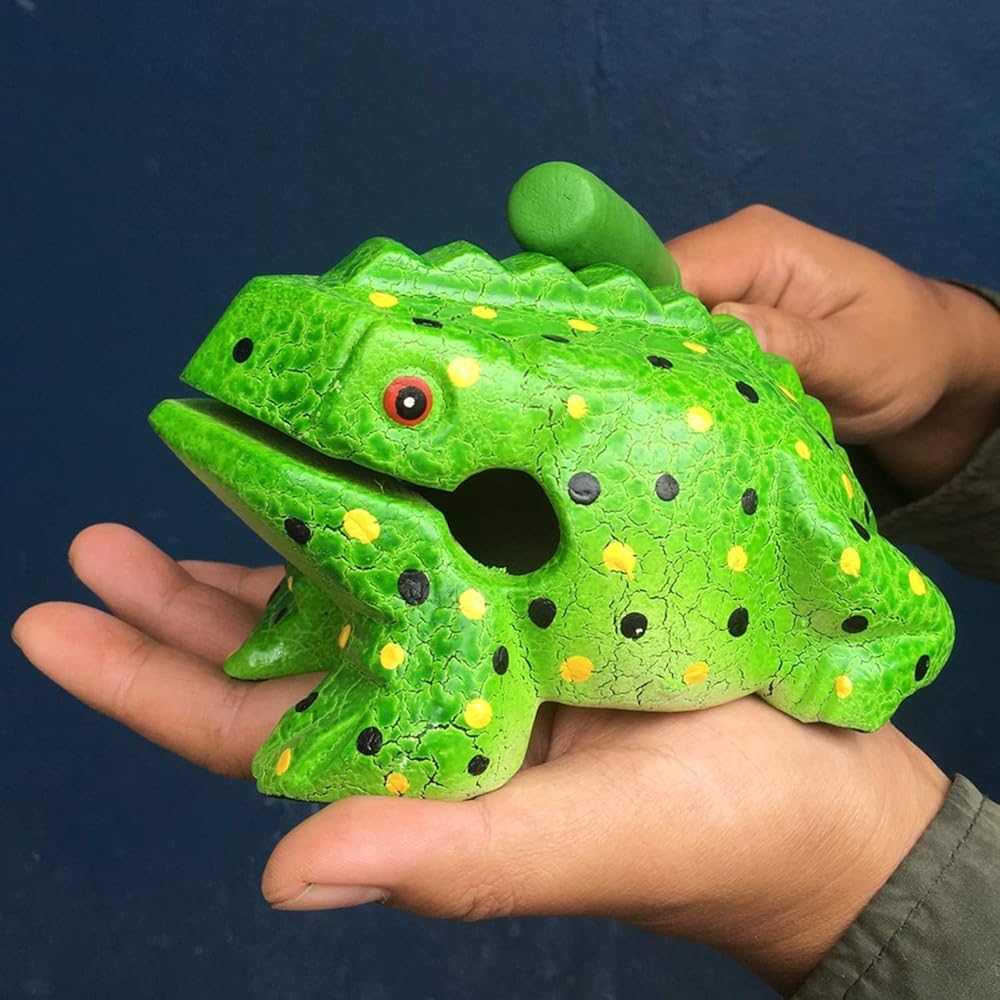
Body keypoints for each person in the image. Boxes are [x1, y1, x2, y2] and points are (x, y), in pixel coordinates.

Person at [11, 206, 1000, 998]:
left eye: (407, 405)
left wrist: (858, 865)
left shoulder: (746, 477)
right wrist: (965, 365)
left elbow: (459, 720)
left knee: (861, 580)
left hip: (758, 478)